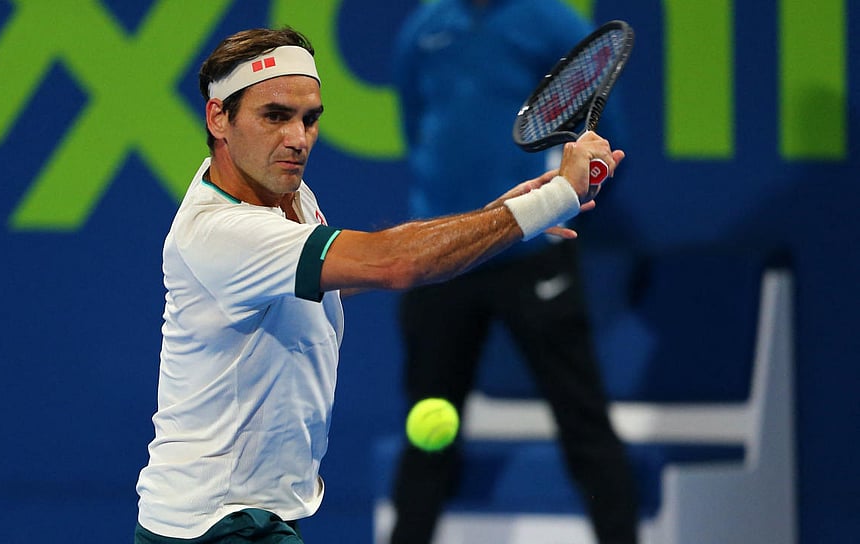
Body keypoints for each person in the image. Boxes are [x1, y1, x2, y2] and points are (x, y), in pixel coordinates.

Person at [134, 26, 624, 544]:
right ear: (219, 118)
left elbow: (341, 275)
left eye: (309, 119)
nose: (298, 139)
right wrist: (555, 197)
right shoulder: (221, 232)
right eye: (275, 116)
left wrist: (496, 217)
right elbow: (391, 263)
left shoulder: (285, 196)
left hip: (234, 518)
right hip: (220, 524)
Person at [388, 1, 639, 543]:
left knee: (584, 424)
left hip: (532, 256)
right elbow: (417, 132)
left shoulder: (553, 22)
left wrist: (564, 194)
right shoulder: (423, 28)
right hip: (445, 260)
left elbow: (604, 144)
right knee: (426, 434)